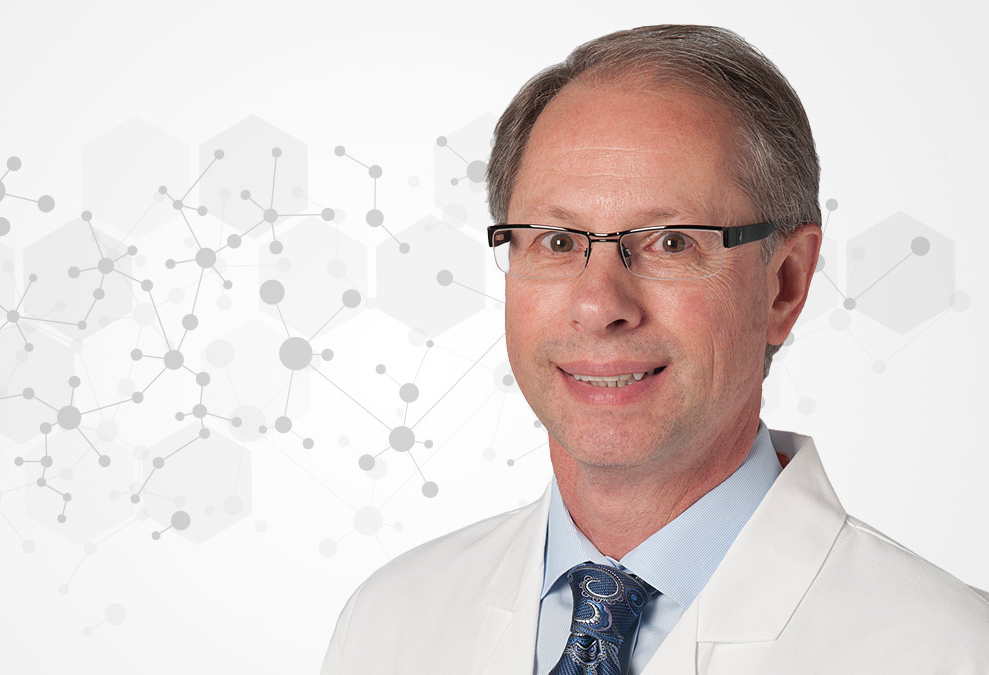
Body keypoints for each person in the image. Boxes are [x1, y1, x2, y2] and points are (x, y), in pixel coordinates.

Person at [321, 24, 989, 675]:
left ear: (784, 284)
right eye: (557, 241)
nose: (599, 304)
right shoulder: (390, 623)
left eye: (671, 242)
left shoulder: (950, 652)